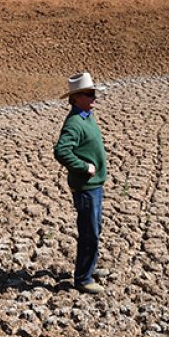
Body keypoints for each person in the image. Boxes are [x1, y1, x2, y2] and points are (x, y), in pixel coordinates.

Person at [52, 72, 110, 294]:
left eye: (93, 92)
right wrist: (84, 167)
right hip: (86, 187)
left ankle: (90, 267)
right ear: (76, 98)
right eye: (89, 93)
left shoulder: (87, 115)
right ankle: (83, 278)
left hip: (95, 185)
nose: (94, 96)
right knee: (89, 232)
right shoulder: (75, 122)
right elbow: (61, 151)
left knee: (95, 228)